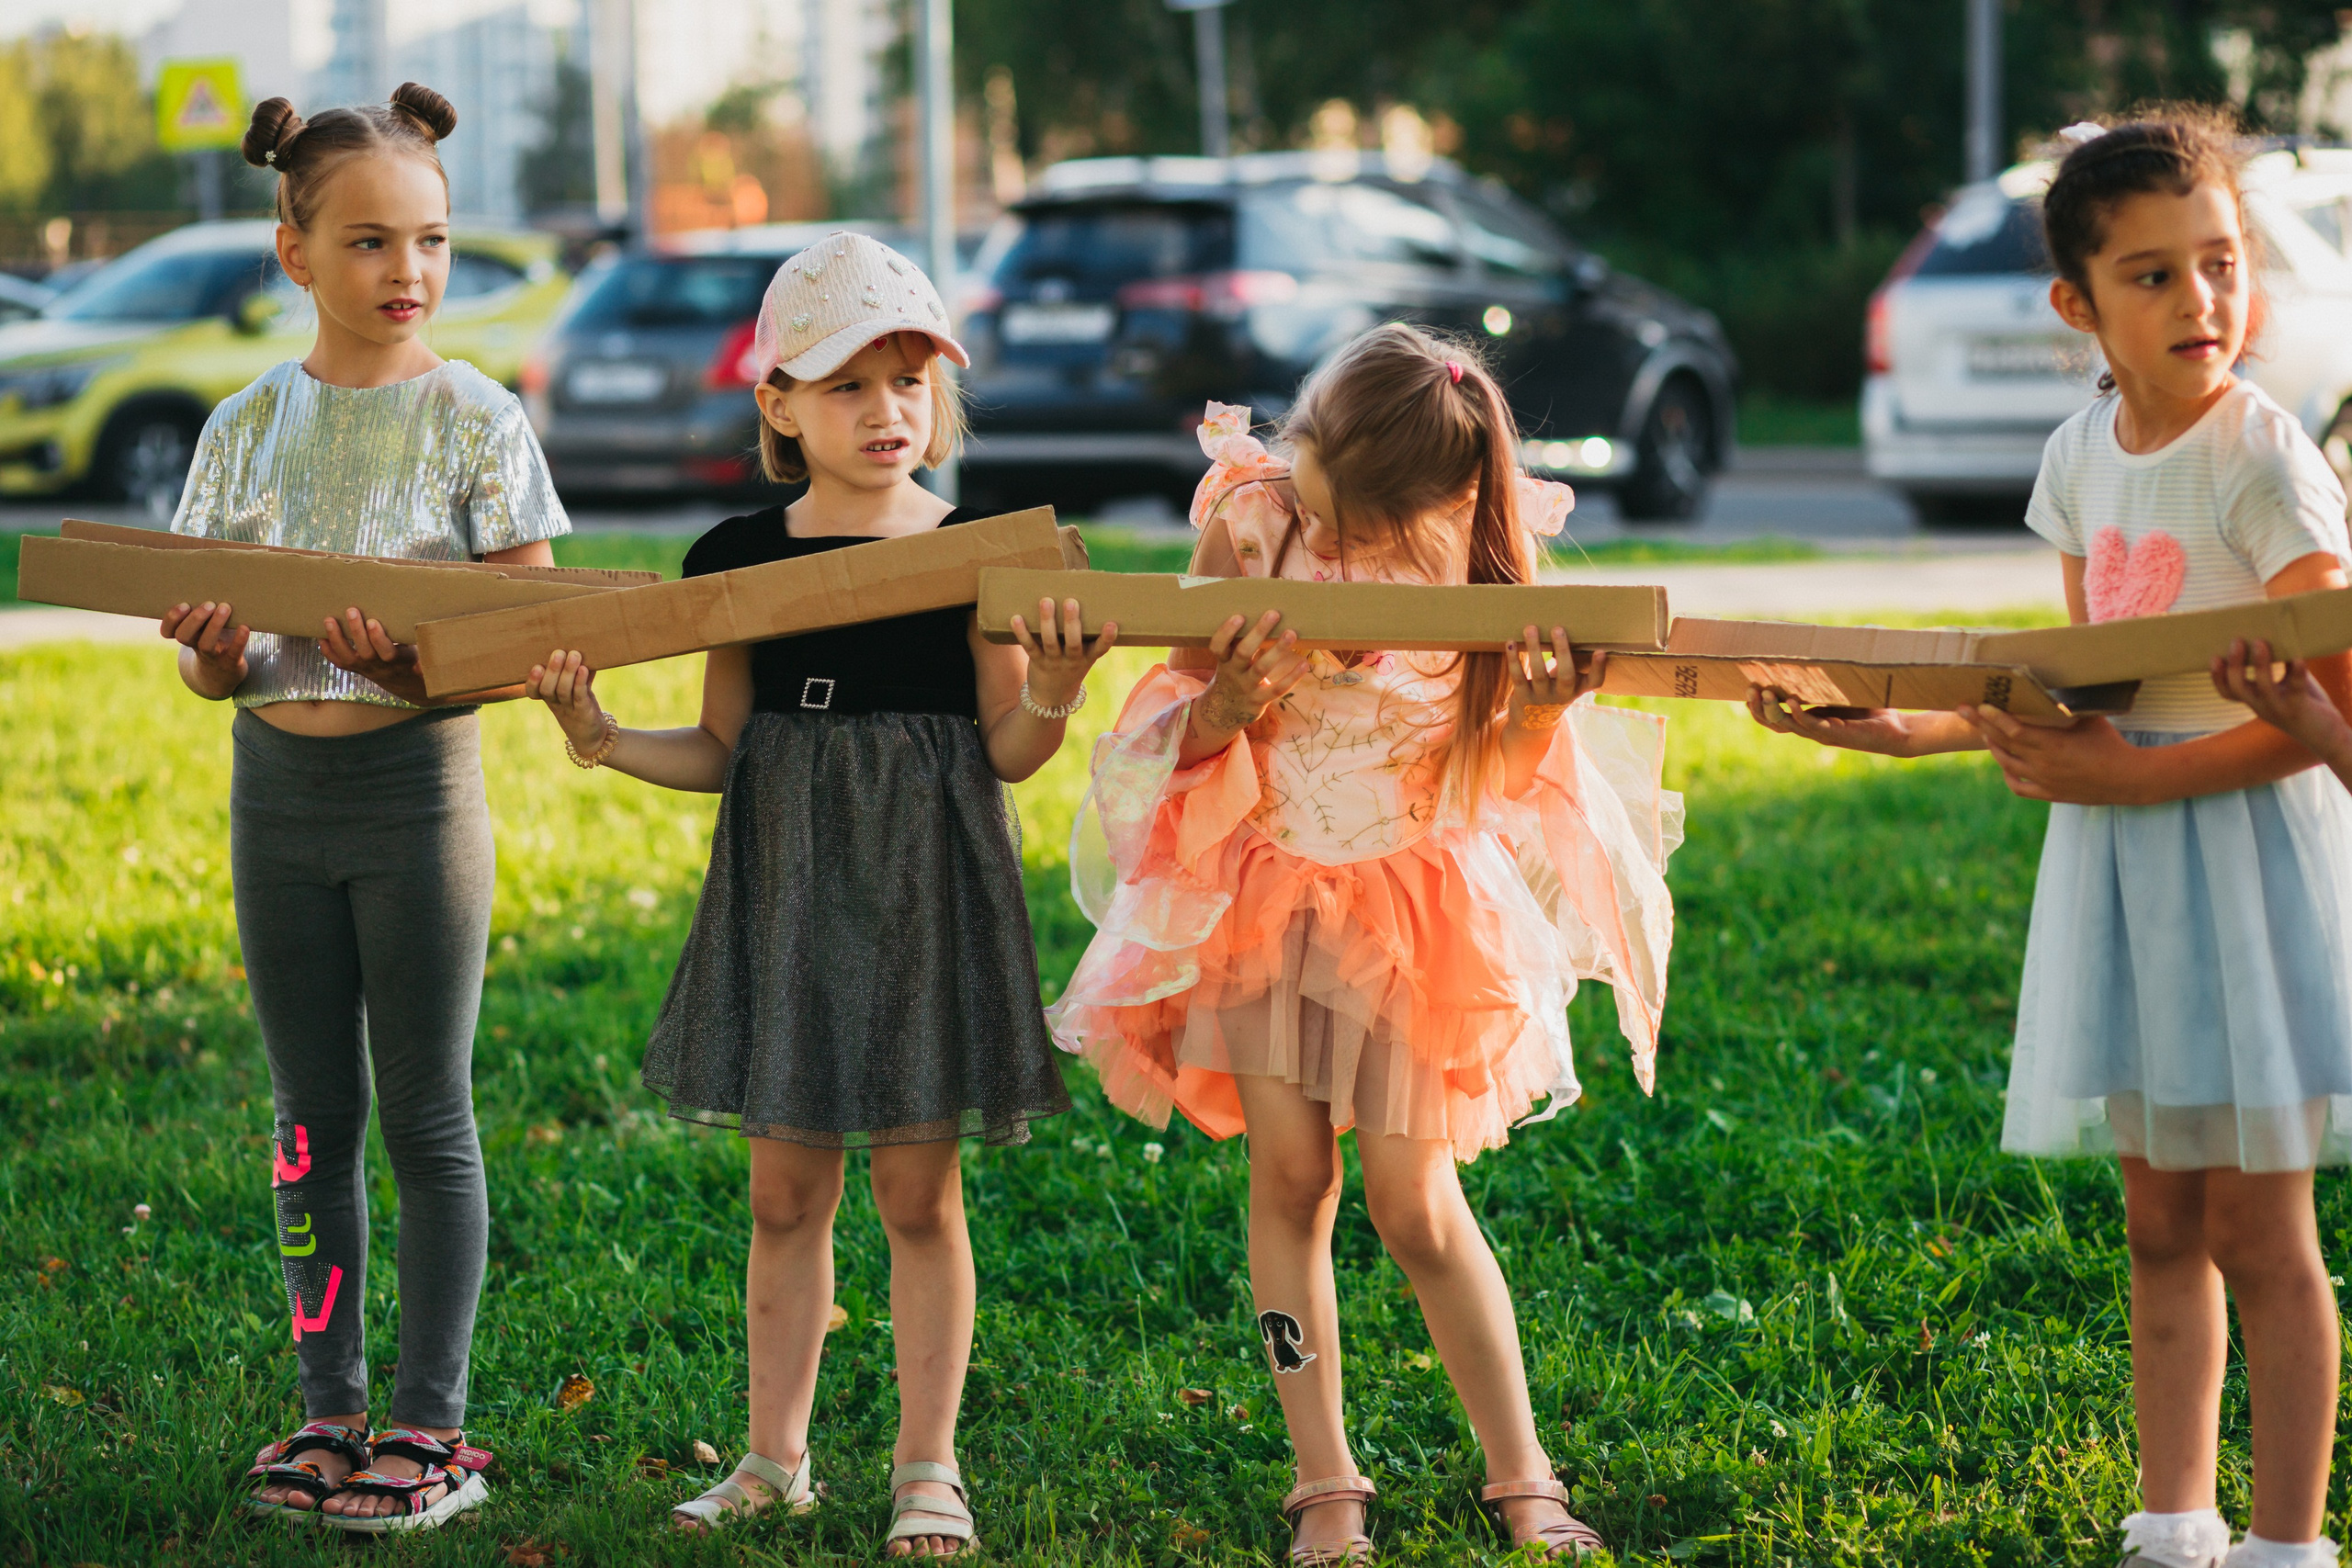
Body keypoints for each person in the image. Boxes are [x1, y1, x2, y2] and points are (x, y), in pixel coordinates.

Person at [1747, 111, 2352, 1568]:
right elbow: (2083, 688)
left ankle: (2285, 1544)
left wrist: (2142, 780)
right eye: (2152, 277)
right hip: (2124, 867)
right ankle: (2174, 1518)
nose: (2202, 302)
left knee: (2261, 1233)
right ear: (2076, 303)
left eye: (2222, 265)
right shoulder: (2081, 457)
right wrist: (1910, 729)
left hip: (2242, 850)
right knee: (2160, 1223)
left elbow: (2330, 702)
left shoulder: (2263, 461)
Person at [523, 231, 1113, 1558]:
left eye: (911, 382)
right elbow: (725, 751)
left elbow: (1007, 748)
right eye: (850, 385)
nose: (888, 411)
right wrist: (602, 736)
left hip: (923, 889)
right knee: (784, 1195)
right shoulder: (737, 556)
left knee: (918, 1193)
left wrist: (1061, 691)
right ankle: (774, 1457)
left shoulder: (978, 556)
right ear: (779, 405)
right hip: (786, 891)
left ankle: (926, 1465)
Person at [1049, 325, 1680, 1562]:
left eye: (1335, 482)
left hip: (1412, 907)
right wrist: (1228, 704)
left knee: (1414, 1202)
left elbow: (1487, 773)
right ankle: (1324, 1477)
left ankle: (1522, 1472)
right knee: (1289, 1181)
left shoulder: (1477, 565)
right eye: (1305, 439)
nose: (1304, 479)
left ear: (1422, 505)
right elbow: (1173, 703)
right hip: (1266, 901)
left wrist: (1545, 707)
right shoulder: (1250, 514)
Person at [167, 85, 568, 1531]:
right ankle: (327, 1405)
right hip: (275, 802)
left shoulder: (476, 420)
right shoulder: (240, 429)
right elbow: (219, 674)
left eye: (434, 242)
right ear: (294, 252)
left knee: (424, 1119)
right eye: (368, 244)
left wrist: (414, 654)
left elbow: (527, 630)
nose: (408, 273)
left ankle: (427, 1424)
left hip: (414, 803)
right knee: (304, 1119)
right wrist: (217, 655)